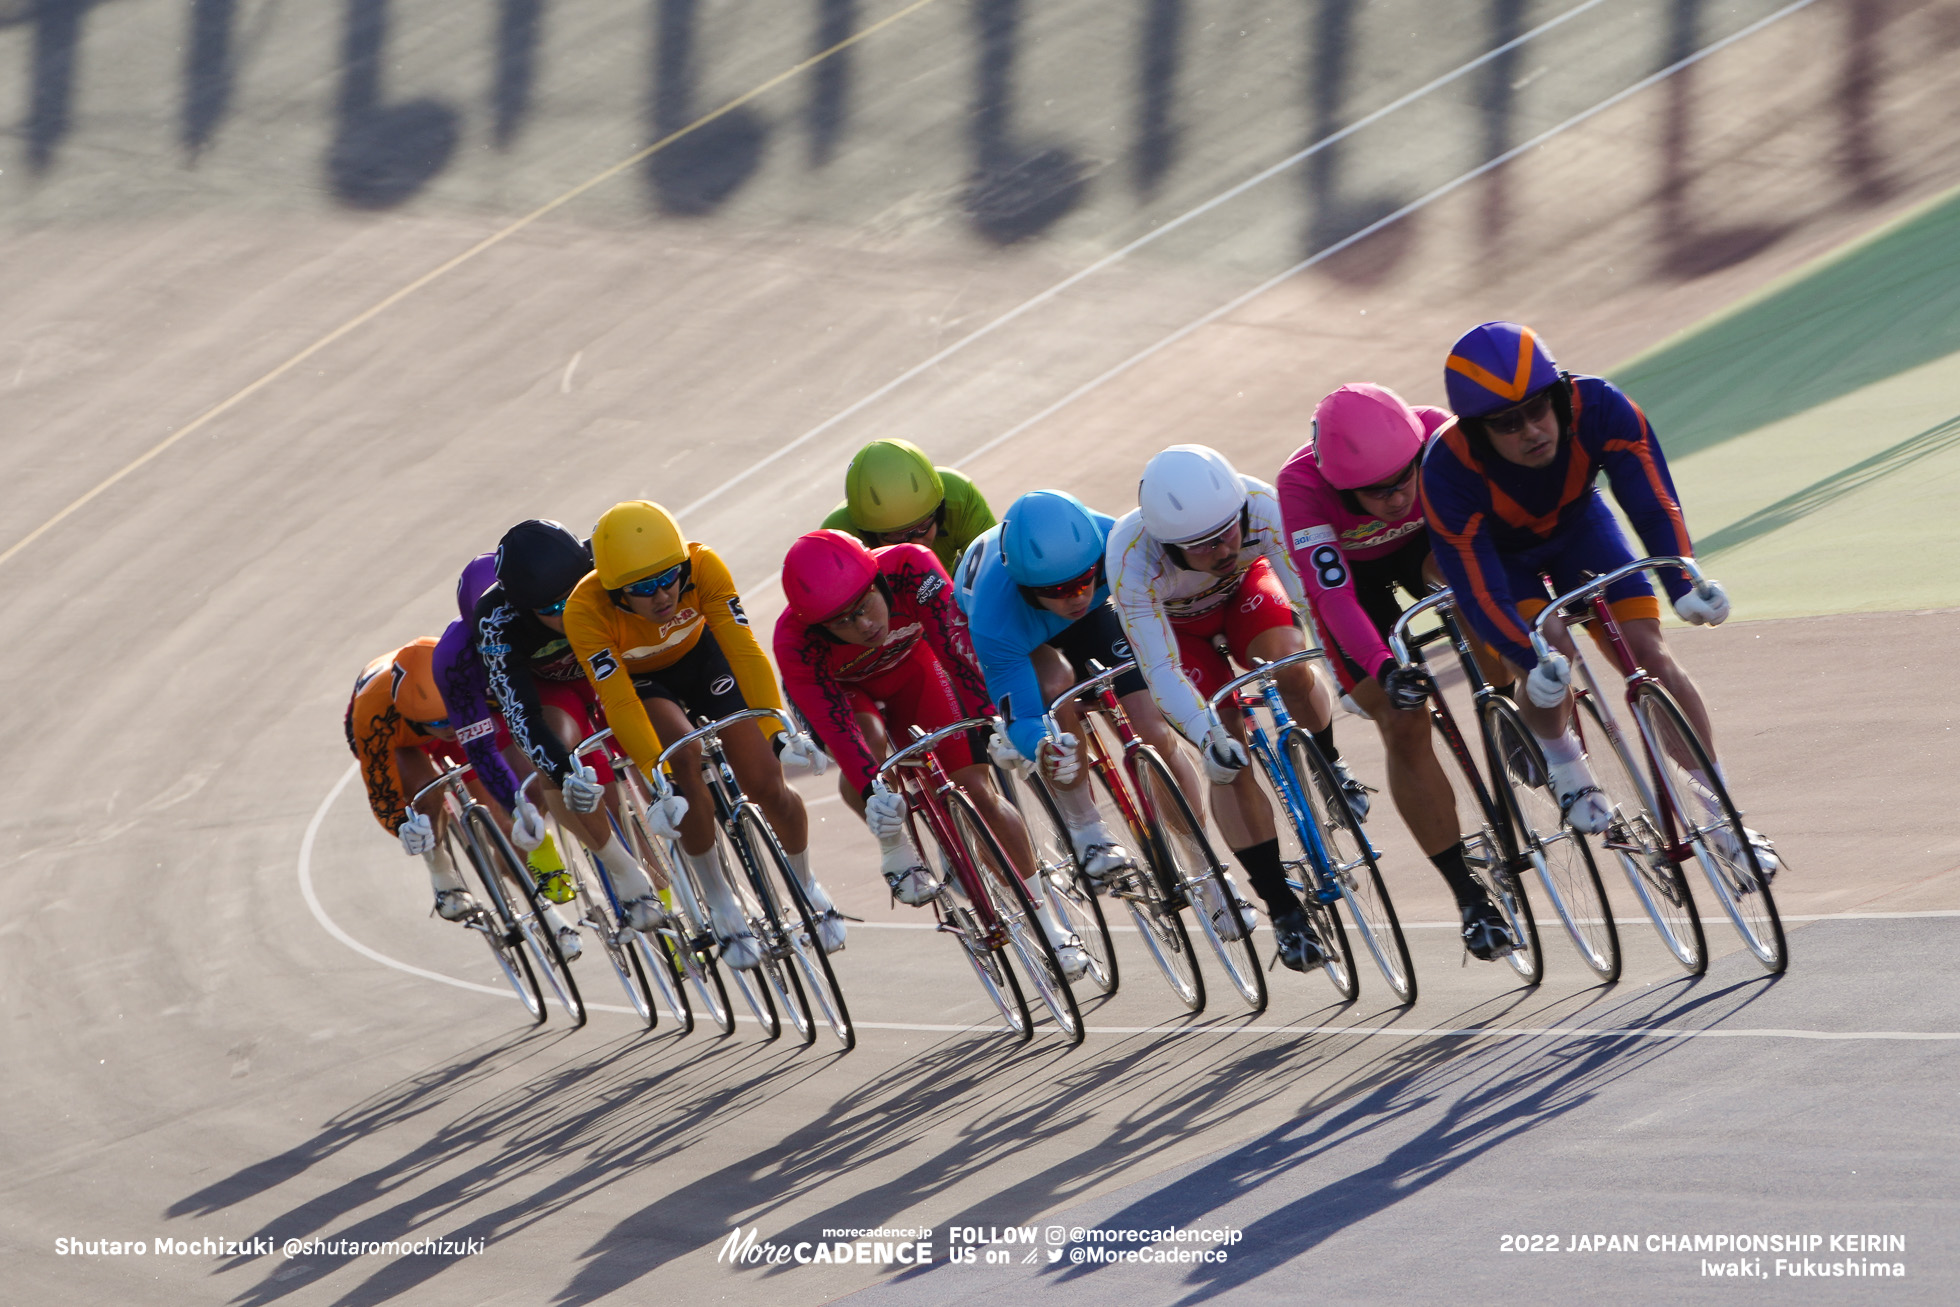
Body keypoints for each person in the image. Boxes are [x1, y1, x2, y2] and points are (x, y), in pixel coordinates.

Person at [1422, 321, 1776, 872]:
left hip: (1580, 528)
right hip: (1502, 561)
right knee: (1551, 654)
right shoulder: (1447, 469)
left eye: (1540, 408)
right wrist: (1527, 654)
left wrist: (1684, 583)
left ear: (1562, 396)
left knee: (1649, 656)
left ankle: (1722, 815)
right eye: (1506, 423)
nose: (1531, 430)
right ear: (1476, 431)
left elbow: (1653, 499)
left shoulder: (1601, 406)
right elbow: (1477, 589)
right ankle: (1565, 763)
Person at [775, 529, 1088, 979]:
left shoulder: (910, 567)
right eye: (842, 622)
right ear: (818, 626)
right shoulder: (794, 640)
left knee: (978, 790)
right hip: (849, 697)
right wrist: (874, 796)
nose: (862, 625)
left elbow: (958, 654)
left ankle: (1049, 925)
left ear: (877, 581)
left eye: (865, 607)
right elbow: (841, 738)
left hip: (913, 668)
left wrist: (994, 726)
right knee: (868, 741)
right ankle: (895, 844)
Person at [1107, 444, 1367, 972]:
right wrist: (1207, 739)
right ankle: (1281, 906)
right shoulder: (1131, 556)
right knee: (1227, 752)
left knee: (1289, 663)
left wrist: (1347, 675)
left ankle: (1331, 762)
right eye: (1201, 546)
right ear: (1167, 543)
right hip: (1182, 633)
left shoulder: (1260, 505)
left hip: (1249, 593)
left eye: (1228, 532)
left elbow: (1314, 603)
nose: (1222, 549)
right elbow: (1160, 671)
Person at [1277, 383, 1515, 958]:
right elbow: (1333, 599)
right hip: (1356, 589)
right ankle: (1468, 897)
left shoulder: (1437, 432)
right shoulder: (1301, 486)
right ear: (1337, 482)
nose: (1393, 496)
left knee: (1471, 596)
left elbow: (1494, 530)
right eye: (1373, 491)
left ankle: (1507, 715)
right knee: (1403, 719)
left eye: (1404, 478)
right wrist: (1385, 669)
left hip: (1430, 546)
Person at [564, 501, 844, 967]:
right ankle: (720, 902)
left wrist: (777, 730)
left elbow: (744, 650)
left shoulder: (704, 565)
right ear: (614, 594)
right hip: (643, 685)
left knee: (766, 784)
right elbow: (617, 700)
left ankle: (806, 883)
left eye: (669, 577)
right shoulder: (585, 610)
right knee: (684, 755)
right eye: (642, 589)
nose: (661, 595)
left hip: (703, 660)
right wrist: (657, 780)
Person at [954, 490, 1215, 901]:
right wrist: (1043, 746)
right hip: (1018, 633)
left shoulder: (1113, 541)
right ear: (1027, 589)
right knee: (1057, 687)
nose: (1075, 596)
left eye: (1083, 581)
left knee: (1155, 733)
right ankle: (1085, 829)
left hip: (1091, 616)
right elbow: (1021, 718)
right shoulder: (995, 614)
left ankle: (1204, 866)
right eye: (1059, 590)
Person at [474, 521, 666, 935]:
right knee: (563, 757)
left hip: (609, 658)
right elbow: (522, 717)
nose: (565, 614)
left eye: (573, 599)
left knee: (659, 732)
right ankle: (624, 869)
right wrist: (561, 773)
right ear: (524, 609)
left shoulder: (601, 564)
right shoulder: (496, 619)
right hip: (553, 688)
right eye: (551, 610)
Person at [344, 635, 582, 956]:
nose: (447, 729)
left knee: (499, 814)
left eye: (448, 720)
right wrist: (406, 825)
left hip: (466, 708)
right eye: (437, 723)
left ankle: (544, 913)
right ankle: (440, 870)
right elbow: (383, 795)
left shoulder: (462, 674)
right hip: (400, 738)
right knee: (424, 793)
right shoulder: (373, 715)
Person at [821, 438, 996, 573]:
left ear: (940, 512)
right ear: (867, 535)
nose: (917, 544)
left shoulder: (959, 496)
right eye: (898, 536)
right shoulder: (837, 544)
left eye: (923, 527)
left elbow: (994, 570)